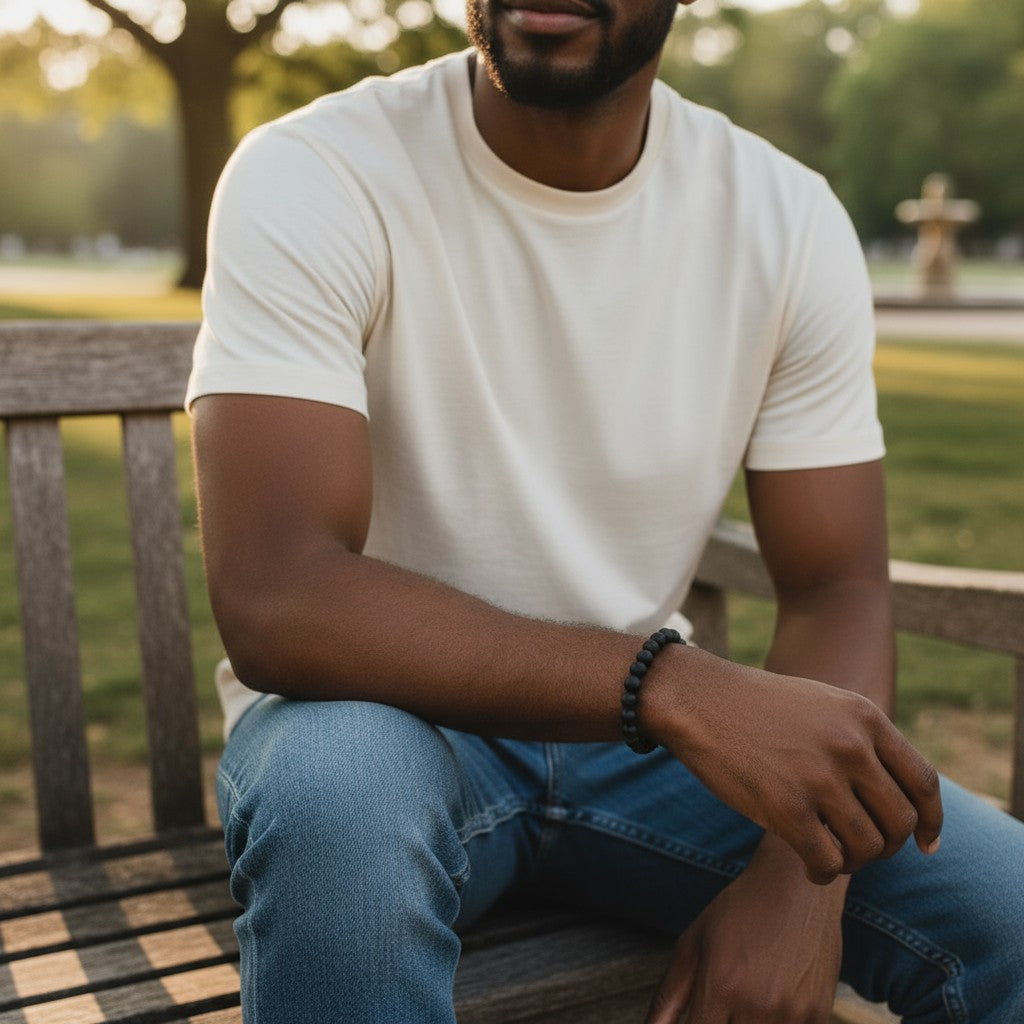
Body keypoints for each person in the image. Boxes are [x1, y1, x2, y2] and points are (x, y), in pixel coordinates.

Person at [186, 0, 1024, 1018]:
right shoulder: (317, 170)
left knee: (1009, 907)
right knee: (336, 801)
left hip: (648, 757)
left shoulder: (784, 217)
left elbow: (835, 584)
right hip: (383, 723)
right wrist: (668, 685)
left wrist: (802, 881)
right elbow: (283, 597)